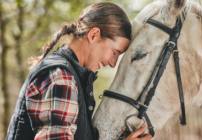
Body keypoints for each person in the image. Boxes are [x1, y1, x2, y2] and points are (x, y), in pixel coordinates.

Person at [6, 2, 152, 140]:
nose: (113, 64)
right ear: (93, 35)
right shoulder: (60, 78)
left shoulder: (74, 79)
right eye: (114, 52)